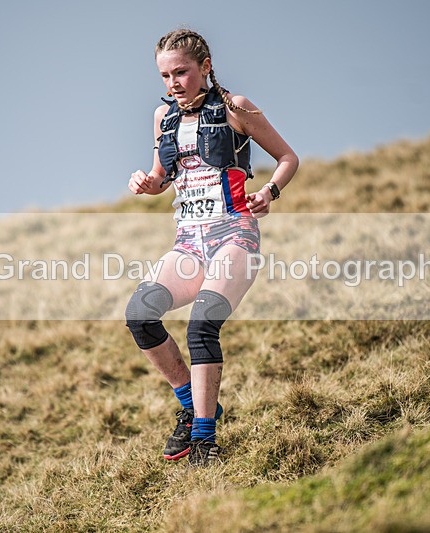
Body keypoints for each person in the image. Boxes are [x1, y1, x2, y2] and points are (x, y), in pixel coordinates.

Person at [125, 29, 298, 467]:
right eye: (165, 75)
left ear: (204, 67)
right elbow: (161, 175)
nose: (173, 83)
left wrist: (270, 193)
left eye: (181, 72)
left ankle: (205, 440)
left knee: (202, 325)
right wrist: (147, 184)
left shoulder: (237, 108)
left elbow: (288, 158)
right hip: (189, 242)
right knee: (140, 315)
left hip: (235, 236)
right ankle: (192, 406)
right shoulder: (162, 118)